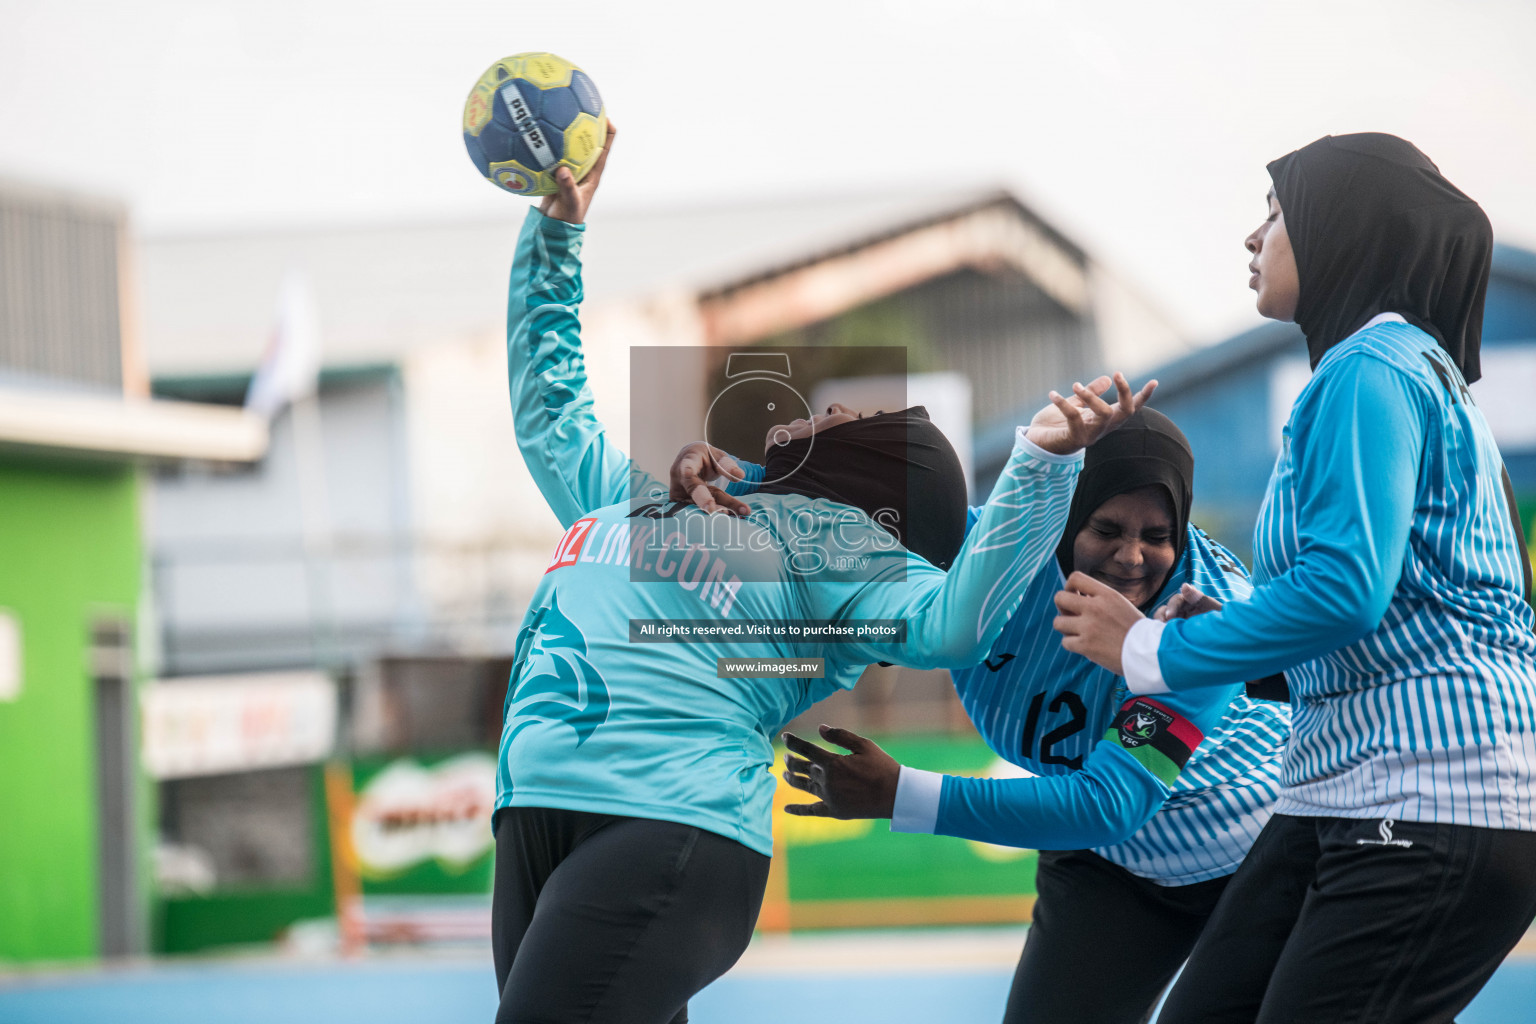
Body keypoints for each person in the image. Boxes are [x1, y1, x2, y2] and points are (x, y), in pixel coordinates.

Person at [492, 122, 1155, 1024]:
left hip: (668, 829)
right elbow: (551, 416)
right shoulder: (668, 499)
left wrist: (1040, 465)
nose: (832, 405)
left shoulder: (845, 553)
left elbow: (956, 622)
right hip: (536, 811)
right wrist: (557, 236)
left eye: (855, 416)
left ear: (880, 489)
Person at [1054, 133, 1536, 1023]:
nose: (1252, 238)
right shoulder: (1401, 373)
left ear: (1339, 229)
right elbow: (1404, 609)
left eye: (1274, 213)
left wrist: (1152, 646)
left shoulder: (1369, 368)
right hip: (1339, 788)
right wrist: (1243, 655)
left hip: (1430, 794)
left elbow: (1349, 589)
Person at [674, 407, 1291, 1024]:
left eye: (1158, 536)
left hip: (1248, 858)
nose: (1131, 558)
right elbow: (856, 512)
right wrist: (736, 482)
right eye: (1106, 528)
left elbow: (1109, 804)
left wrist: (903, 794)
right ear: (1068, 516)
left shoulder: (1199, 624)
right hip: (1113, 868)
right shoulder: (989, 555)